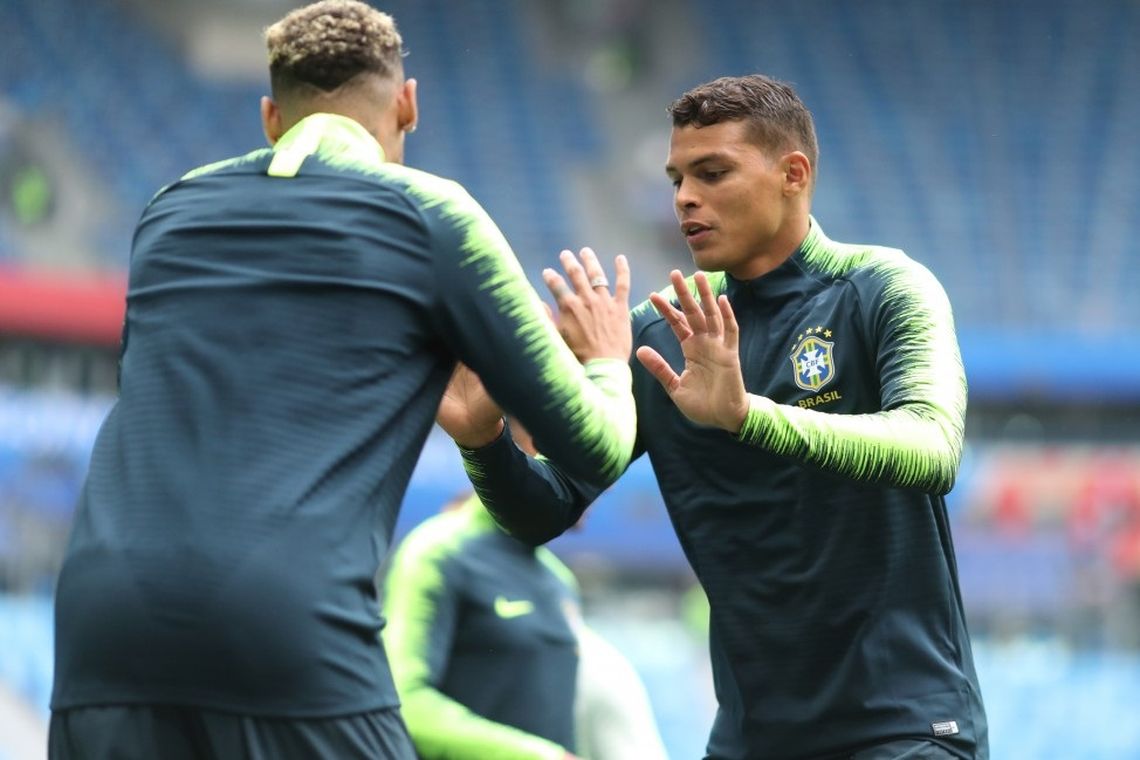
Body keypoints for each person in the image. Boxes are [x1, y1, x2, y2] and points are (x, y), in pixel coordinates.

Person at [48, 2, 637, 758]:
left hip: (101, 628)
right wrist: (607, 362)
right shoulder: (433, 215)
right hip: (286, 628)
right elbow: (595, 446)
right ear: (408, 104)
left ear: (271, 118)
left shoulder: (170, 211)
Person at [440, 74, 989, 759]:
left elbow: (932, 447)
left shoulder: (882, 289)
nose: (684, 199)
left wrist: (745, 414)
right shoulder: (662, 335)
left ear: (793, 174)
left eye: (712, 172)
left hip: (905, 730)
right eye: (676, 179)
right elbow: (545, 511)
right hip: (750, 741)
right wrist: (482, 439)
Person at [381, 425, 668, 760]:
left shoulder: (558, 578)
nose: (605, 487)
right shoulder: (437, 552)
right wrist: (540, 756)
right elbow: (405, 704)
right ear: (534, 446)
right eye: (593, 466)